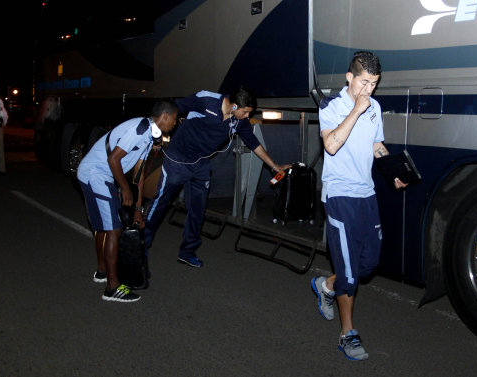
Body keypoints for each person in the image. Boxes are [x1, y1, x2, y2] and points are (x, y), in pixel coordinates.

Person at [311, 51, 407, 361]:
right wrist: (356, 109)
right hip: (339, 196)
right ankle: (347, 334)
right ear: (349, 78)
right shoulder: (330, 106)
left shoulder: (375, 107)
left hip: (367, 196)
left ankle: (326, 285)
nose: (370, 90)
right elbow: (331, 144)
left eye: (375, 84)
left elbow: (377, 145)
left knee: (367, 265)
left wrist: (393, 172)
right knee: (351, 276)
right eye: (365, 82)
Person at [144, 86, 290, 268]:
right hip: (177, 160)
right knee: (160, 203)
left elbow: (253, 143)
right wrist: (155, 135)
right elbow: (170, 109)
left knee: (197, 209)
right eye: (245, 112)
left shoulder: (239, 122)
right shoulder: (206, 100)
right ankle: (141, 243)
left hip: (201, 164)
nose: (247, 117)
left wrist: (274, 165)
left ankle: (187, 252)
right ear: (235, 106)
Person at [77, 99, 178, 302]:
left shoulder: (149, 135)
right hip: (95, 174)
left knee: (104, 227)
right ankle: (112, 288)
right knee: (114, 228)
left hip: (100, 175)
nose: (175, 123)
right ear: (164, 117)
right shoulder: (139, 130)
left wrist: (138, 209)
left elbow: (138, 175)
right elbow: (113, 159)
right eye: (174, 119)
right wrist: (125, 189)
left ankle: (102, 271)